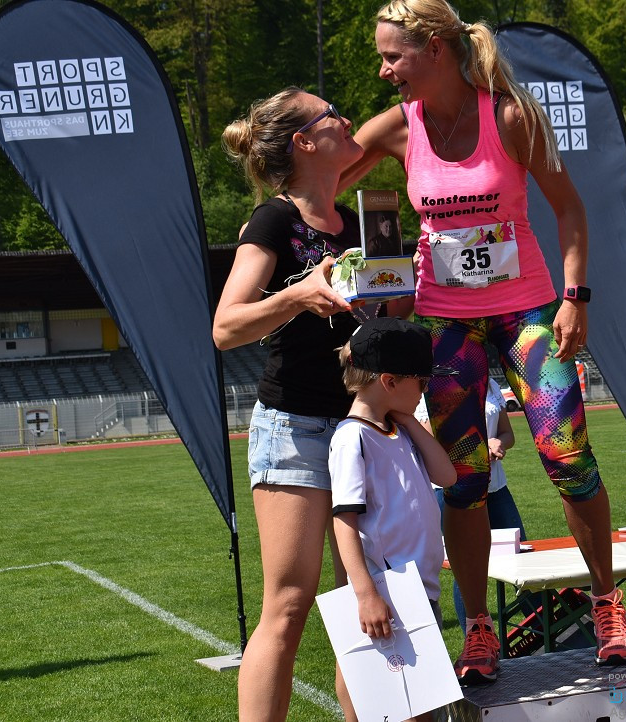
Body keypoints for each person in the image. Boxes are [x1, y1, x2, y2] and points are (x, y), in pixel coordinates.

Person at [343, 0, 626, 683]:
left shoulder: (509, 116)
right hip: (445, 324)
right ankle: (479, 628)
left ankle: (605, 601)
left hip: (529, 312)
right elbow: (328, 181)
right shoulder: (397, 126)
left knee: (568, 456)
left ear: (436, 50)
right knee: (463, 478)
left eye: (394, 56)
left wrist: (574, 297)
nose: (386, 72)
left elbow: (568, 208)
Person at [215, 87, 369, 722]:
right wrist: (300, 294)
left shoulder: (358, 221)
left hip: (361, 426)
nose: (349, 118)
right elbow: (227, 326)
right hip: (295, 427)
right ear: (305, 141)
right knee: (288, 603)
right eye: (335, 113)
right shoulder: (272, 221)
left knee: (362, 595)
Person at [329, 317, 458, 721]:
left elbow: (447, 475)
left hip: (420, 591)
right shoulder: (353, 439)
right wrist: (366, 594)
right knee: (396, 706)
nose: (424, 392)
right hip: (390, 595)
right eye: (421, 382)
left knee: (421, 708)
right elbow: (344, 521)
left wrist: (407, 421)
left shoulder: (397, 430)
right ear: (389, 381)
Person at [415, 376, 529, 622]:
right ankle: (474, 639)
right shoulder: (433, 385)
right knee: (467, 568)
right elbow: (430, 445)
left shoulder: (490, 383)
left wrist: (499, 443)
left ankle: (547, 631)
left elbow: (507, 434)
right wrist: (478, 446)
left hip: (496, 488)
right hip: (455, 491)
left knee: (523, 558)